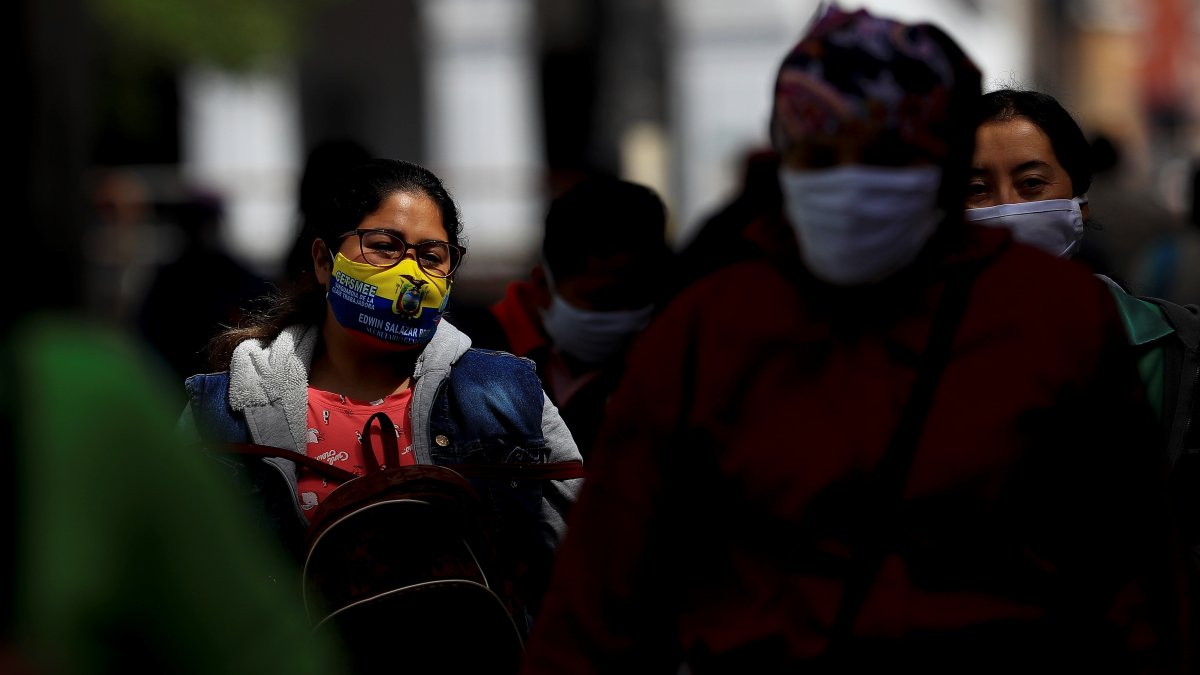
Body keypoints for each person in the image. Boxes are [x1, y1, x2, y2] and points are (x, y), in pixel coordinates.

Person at [519, 6, 1190, 674]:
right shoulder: (711, 330)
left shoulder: (1054, 317)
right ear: (784, 160)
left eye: (887, 154)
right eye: (823, 154)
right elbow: (602, 592)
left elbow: (1131, 579)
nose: (854, 184)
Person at [176, 158, 584, 641]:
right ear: (325, 261)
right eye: (384, 248)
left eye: (432, 256)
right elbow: (169, 580)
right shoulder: (225, 413)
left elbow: (582, 568)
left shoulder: (506, 393)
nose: (410, 273)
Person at [964, 87, 1200, 587]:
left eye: (1031, 184)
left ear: (1079, 206)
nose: (1006, 209)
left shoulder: (1176, 350)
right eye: (977, 189)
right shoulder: (901, 362)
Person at [449, 173, 673, 459]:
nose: (624, 316)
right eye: (602, 300)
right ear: (543, 285)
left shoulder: (666, 361)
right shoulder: (468, 354)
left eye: (639, 299)